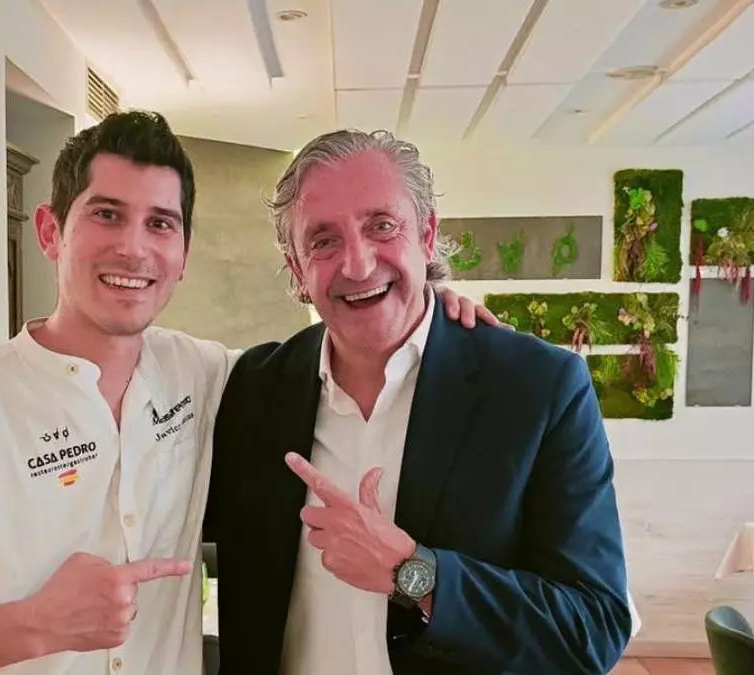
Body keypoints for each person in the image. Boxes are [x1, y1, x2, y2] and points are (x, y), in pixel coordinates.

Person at [0, 111, 498, 675]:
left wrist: (433, 318)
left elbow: (345, 350)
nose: (134, 247)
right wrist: (36, 624)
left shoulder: (210, 377)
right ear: (51, 231)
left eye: (160, 224)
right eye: (106, 214)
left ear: (182, 254)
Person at [204, 129, 632, 674]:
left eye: (382, 226)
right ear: (297, 269)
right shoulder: (252, 390)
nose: (358, 265)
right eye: (323, 240)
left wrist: (414, 574)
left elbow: (593, 628)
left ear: (427, 236)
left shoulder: (537, 387)